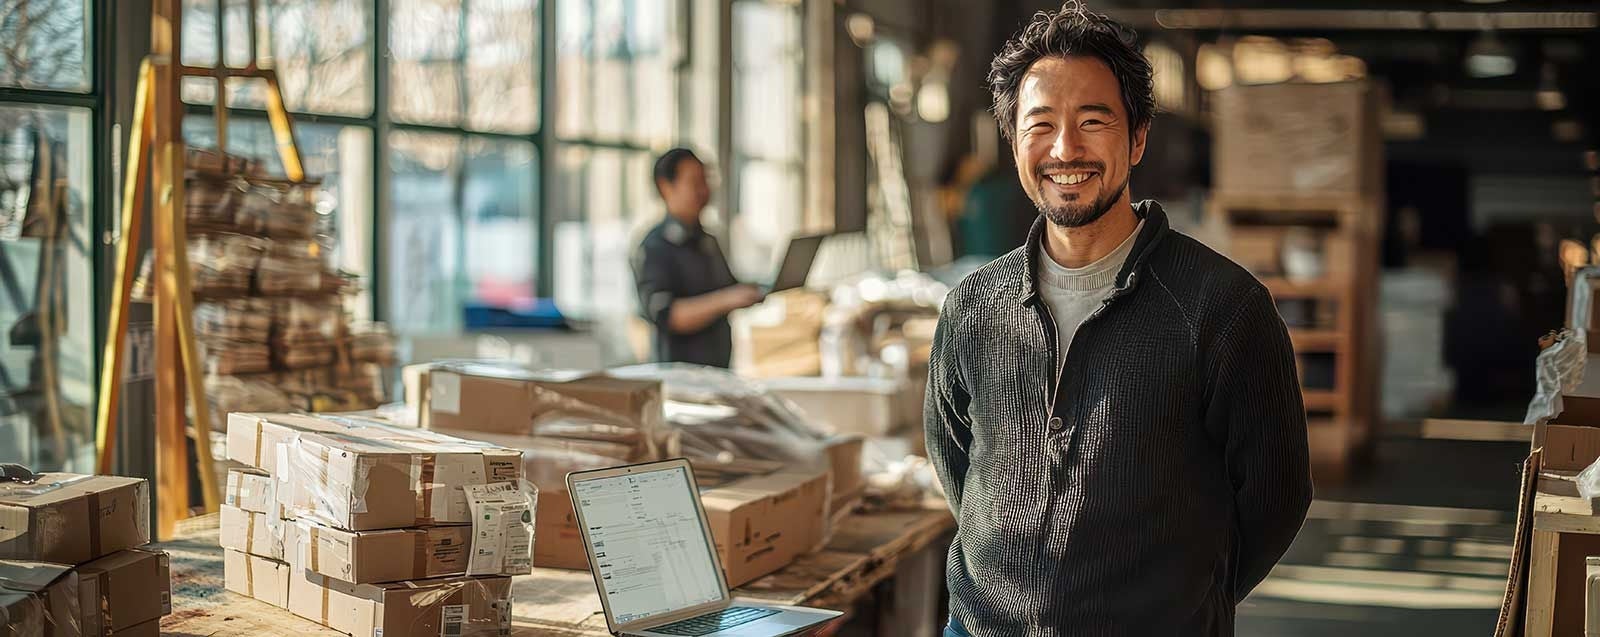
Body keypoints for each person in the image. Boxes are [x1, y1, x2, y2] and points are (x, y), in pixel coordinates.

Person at [924, 3, 1313, 635]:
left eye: (1093, 121)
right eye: (1040, 124)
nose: (1064, 148)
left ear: (1137, 138)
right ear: (1014, 142)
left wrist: (1183, 601)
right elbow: (957, 466)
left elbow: (1277, 496)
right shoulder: (974, 306)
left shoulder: (1221, 307)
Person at [631, 148, 763, 368]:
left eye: (706, 180)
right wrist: (727, 299)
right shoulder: (655, 247)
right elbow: (669, 316)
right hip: (678, 379)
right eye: (694, 182)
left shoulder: (708, 240)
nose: (704, 190)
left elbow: (728, 288)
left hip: (718, 370)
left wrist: (753, 291)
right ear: (666, 187)